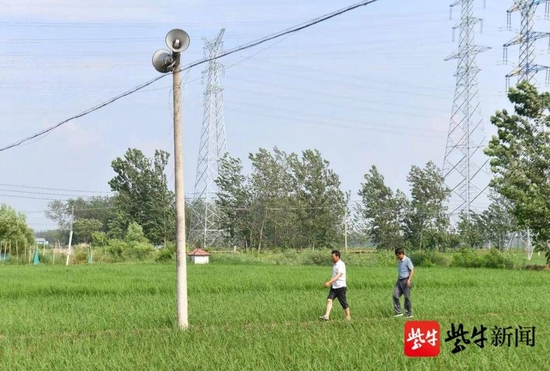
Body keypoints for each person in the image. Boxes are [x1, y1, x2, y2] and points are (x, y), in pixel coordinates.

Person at [320, 250, 351, 321]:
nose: (331, 258)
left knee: (343, 303)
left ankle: (348, 316)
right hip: (334, 287)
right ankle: (326, 316)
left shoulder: (341, 264)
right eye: (331, 256)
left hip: (341, 287)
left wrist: (329, 282)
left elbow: (338, 275)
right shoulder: (334, 264)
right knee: (329, 299)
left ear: (337, 256)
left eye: (332, 256)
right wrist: (331, 283)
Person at [393, 247, 414, 318]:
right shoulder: (399, 261)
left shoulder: (407, 260)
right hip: (399, 281)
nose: (397, 257)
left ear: (401, 254)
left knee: (407, 297)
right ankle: (398, 312)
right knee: (395, 295)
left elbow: (412, 270)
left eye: (398, 255)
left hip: (405, 281)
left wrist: (409, 280)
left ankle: (409, 314)